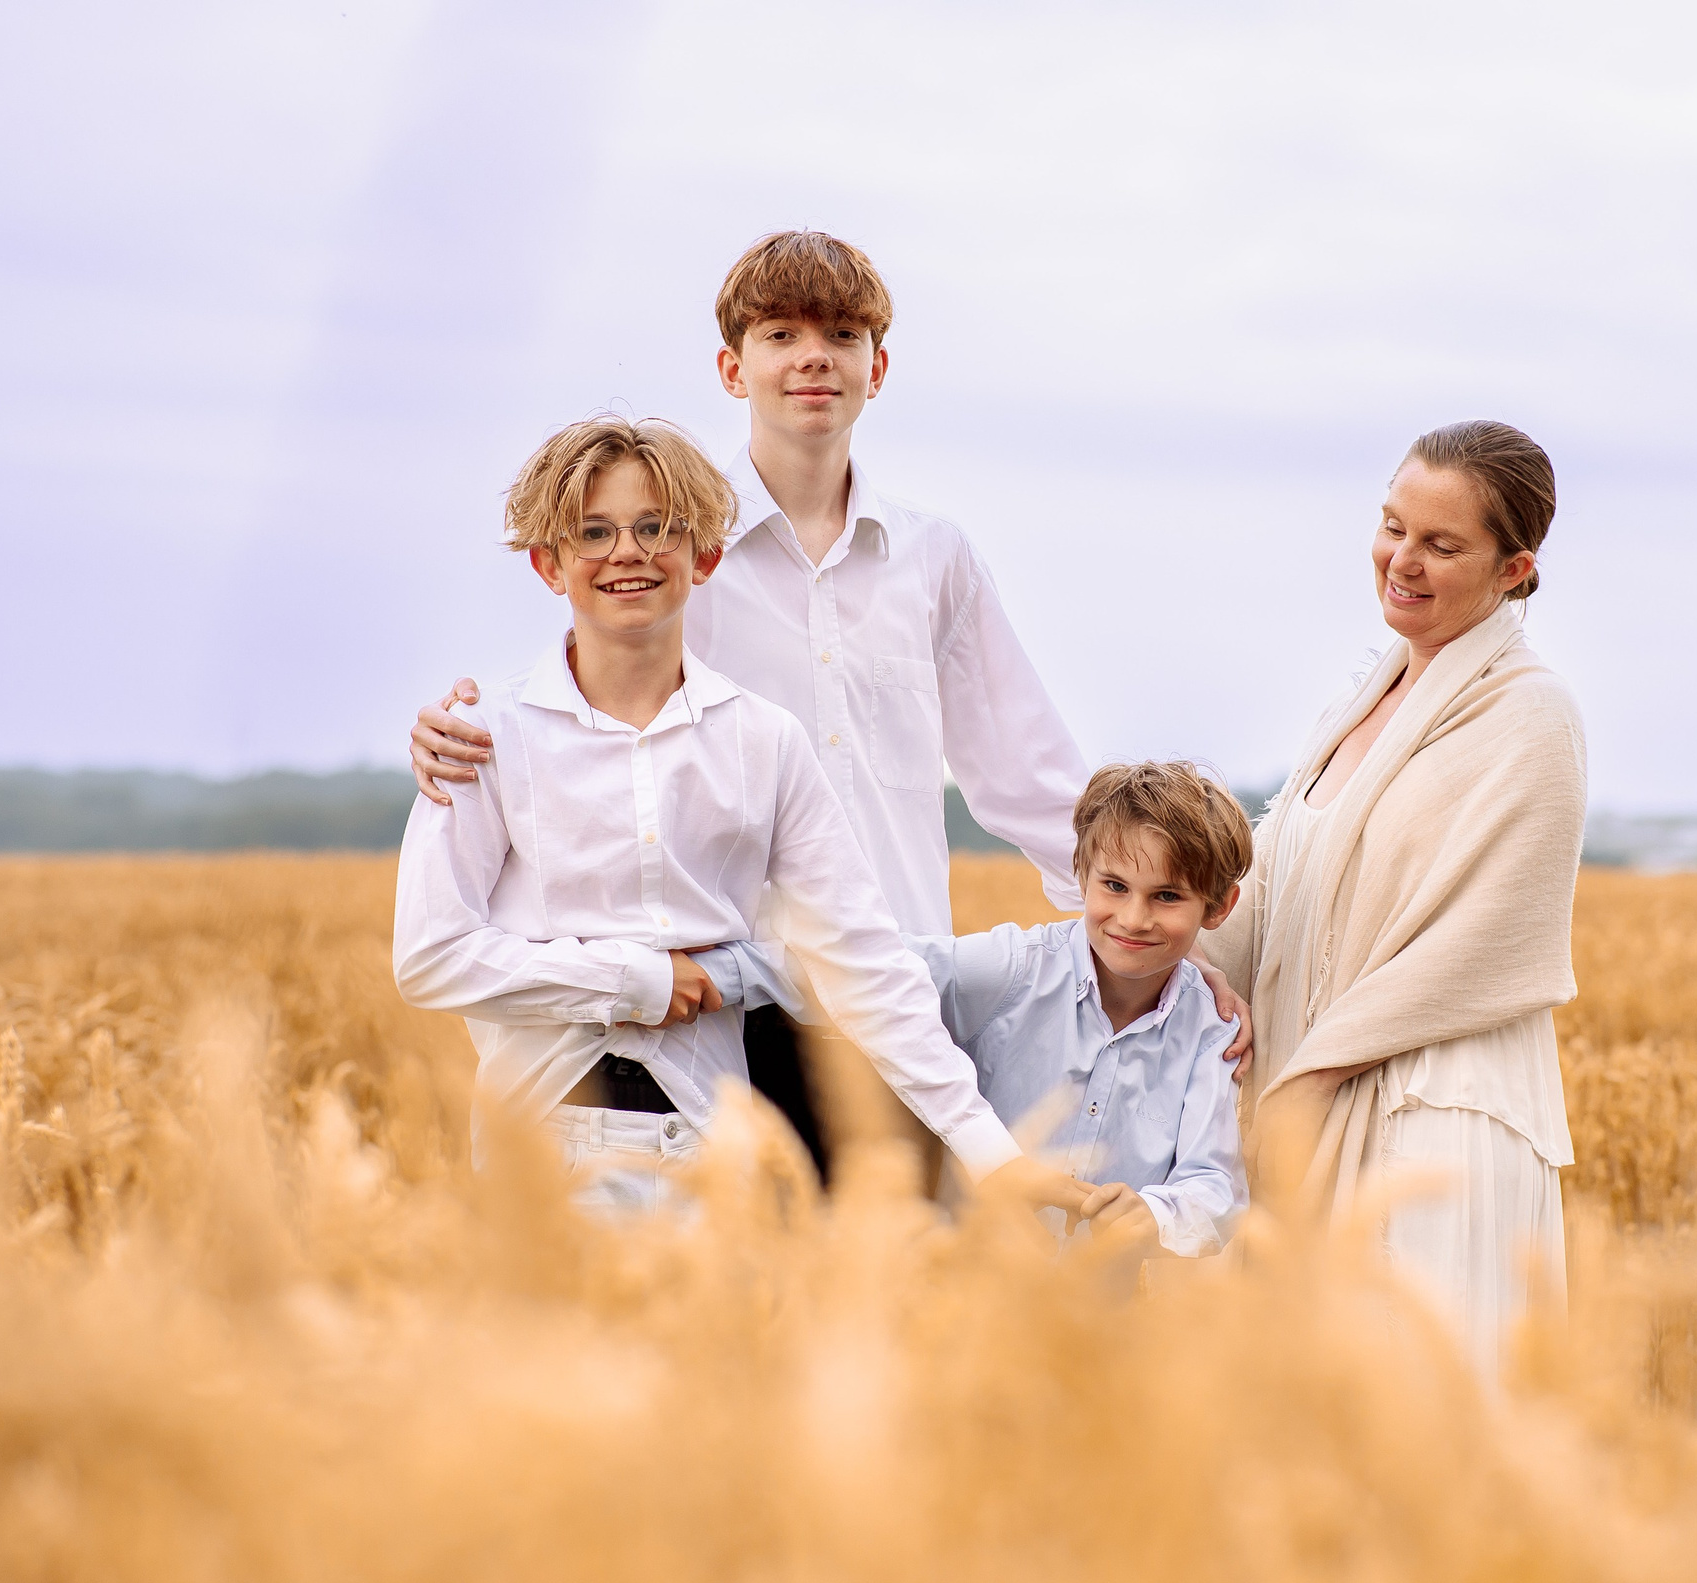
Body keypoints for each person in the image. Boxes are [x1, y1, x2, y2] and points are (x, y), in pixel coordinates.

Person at [404, 232, 1250, 1182]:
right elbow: (592, 692)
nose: (813, 355)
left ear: (876, 367)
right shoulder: (679, 546)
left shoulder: (934, 559)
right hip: (724, 1011)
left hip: (900, 995)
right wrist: (455, 732)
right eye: (780, 333)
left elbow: (1030, 778)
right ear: (734, 367)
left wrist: (1162, 952)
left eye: (842, 334)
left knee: (889, 1296)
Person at [390, 413, 1090, 1219]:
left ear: (705, 557)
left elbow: (863, 956)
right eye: (595, 532)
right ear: (551, 563)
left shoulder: (764, 742)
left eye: (657, 527)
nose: (628, 552)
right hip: (543, 1142)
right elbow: (431, 955)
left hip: (714, 1151)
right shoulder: (487, 734)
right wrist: (636, 980)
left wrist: (992, 1154)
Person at [1201, 421, 1587, 1375]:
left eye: (1441, 544)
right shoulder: (1361, 702)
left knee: (1423, 1429)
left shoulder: (1531, 716)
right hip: (1322, 1097)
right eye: (1391, 525)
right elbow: (1281, 886)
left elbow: (1481, 943)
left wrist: (1308, 1079)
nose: (1400, 560)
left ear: (1515, 569)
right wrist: (1175, 957)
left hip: (1436, 1123)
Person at [902, 761, 1254, 1257]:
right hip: (960, 1290)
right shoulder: (1013, 970)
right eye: (1114, 886)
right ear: (1081, 873)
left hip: (1095, 1316)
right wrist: (750, 971)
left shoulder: (1212, 1032)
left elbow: (1214, 1184)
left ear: (1219, 906)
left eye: (1167, 896)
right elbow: (874, 970)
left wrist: (1155, 1213)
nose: (1133, 919)